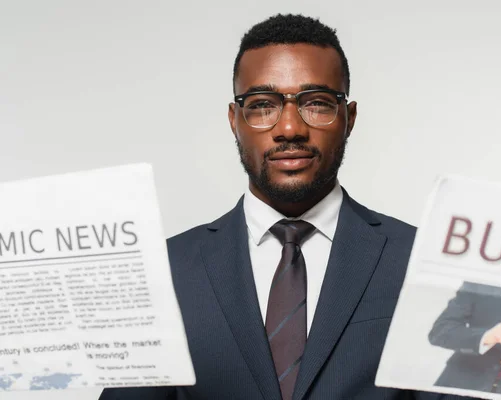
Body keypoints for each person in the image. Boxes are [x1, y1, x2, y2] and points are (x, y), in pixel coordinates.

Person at [100, 14, 474, 400]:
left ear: (349, 118)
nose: (290, 128)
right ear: (235, 120)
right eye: (263, 105)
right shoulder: (164, 271)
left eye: (317, 103)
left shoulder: (423, 263)